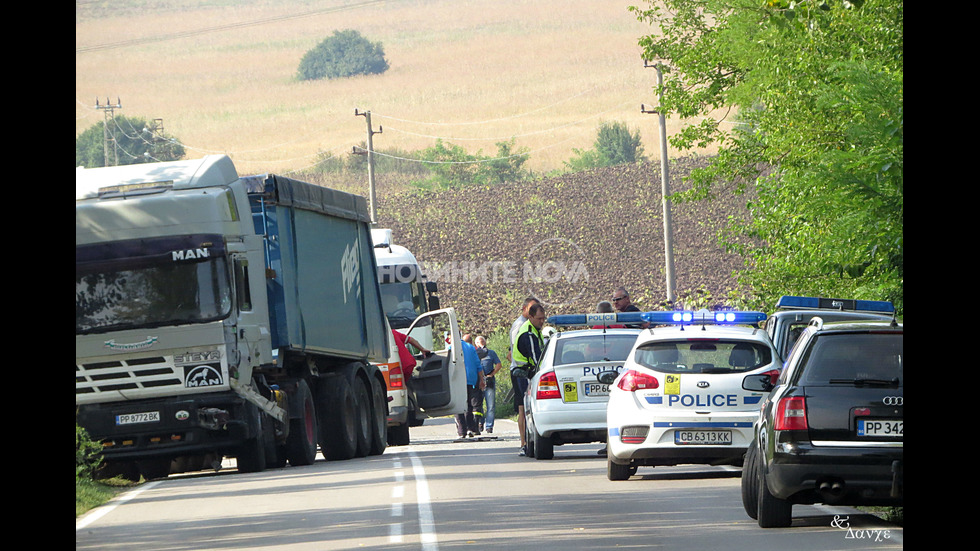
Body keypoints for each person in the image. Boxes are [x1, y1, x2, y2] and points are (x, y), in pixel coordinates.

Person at [513, 302, 546, 456]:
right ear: (530, 316)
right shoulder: (528, 333)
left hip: (526, 372)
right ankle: (525, 443)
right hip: (523, 374)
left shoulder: (534, 329)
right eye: (539, 318)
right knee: (525, 409)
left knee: (525, 409)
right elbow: (537, 359)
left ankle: (526, 443)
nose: (542, 322)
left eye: (543, 318)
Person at [455, 334, 486, 438]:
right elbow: (478, 365)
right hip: (471, 380)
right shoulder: (471, 347)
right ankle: (471, 428)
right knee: (468, 405)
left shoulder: (452, 347)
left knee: (458, 406)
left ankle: (462, 431)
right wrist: (482, 379)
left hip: (458, 381)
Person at [474, 335, 502, 433]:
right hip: (478, 382)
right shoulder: (475, 354)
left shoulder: (491, 353)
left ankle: (489, 426)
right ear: (475, 344)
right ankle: (480, 423)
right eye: (478, 342)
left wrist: (492, 374)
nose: (480, 343)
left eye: (482, 341)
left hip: (489, 381)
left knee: (490, 405)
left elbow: (499, 364)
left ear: (485, 342)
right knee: (478, 404)